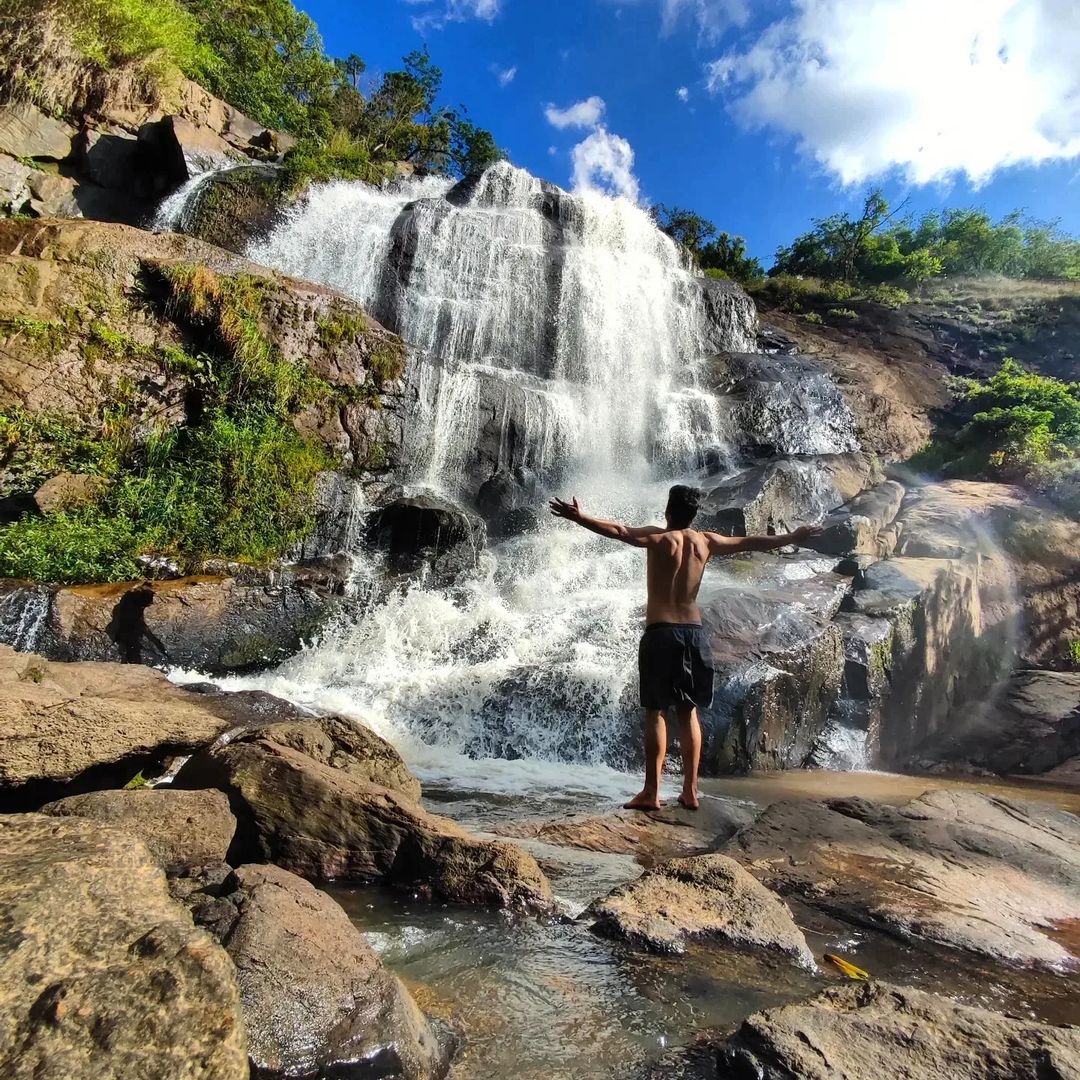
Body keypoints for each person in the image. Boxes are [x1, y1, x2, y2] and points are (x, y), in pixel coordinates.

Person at [550, 484, 821, 811]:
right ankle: (690, 791)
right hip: (693, 634)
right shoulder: (706, 541)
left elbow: (619, 531)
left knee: (656, 711)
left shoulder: (659, 538)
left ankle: (651, 792)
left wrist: (580, 518)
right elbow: (751, 542)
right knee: (688, 711)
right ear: (694, 514)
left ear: (668, 511)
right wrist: (793, 538)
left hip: (661, 633)